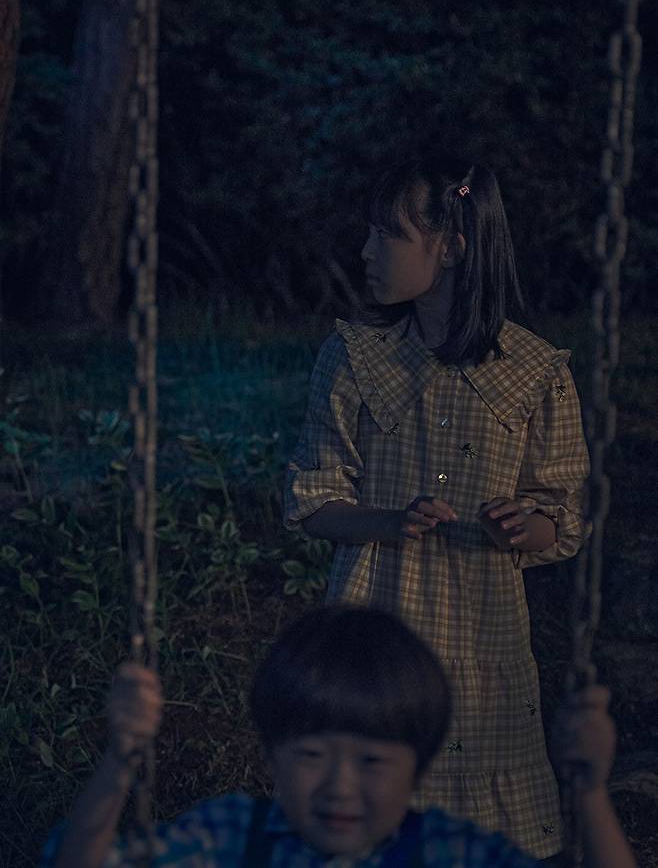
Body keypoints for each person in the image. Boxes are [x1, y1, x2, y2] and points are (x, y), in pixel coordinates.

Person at [284, 156, 591, 860]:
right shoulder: (354, 359)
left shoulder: (535, 373)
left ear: (451, 248)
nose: (366, 252)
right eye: (369, 232)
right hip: (378, 617)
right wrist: (389, 521)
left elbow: (561, 518)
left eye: (387, 235)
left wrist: (522, 525)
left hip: (483, 635)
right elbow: (312, 500)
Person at [40, 607, 634, 867]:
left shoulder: (448, 853)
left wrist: (589, 793)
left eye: (372, 761)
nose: (340, 787)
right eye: (311, 755)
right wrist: (121, 760)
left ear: (419, 766)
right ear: (272, 755)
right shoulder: (234, 838)